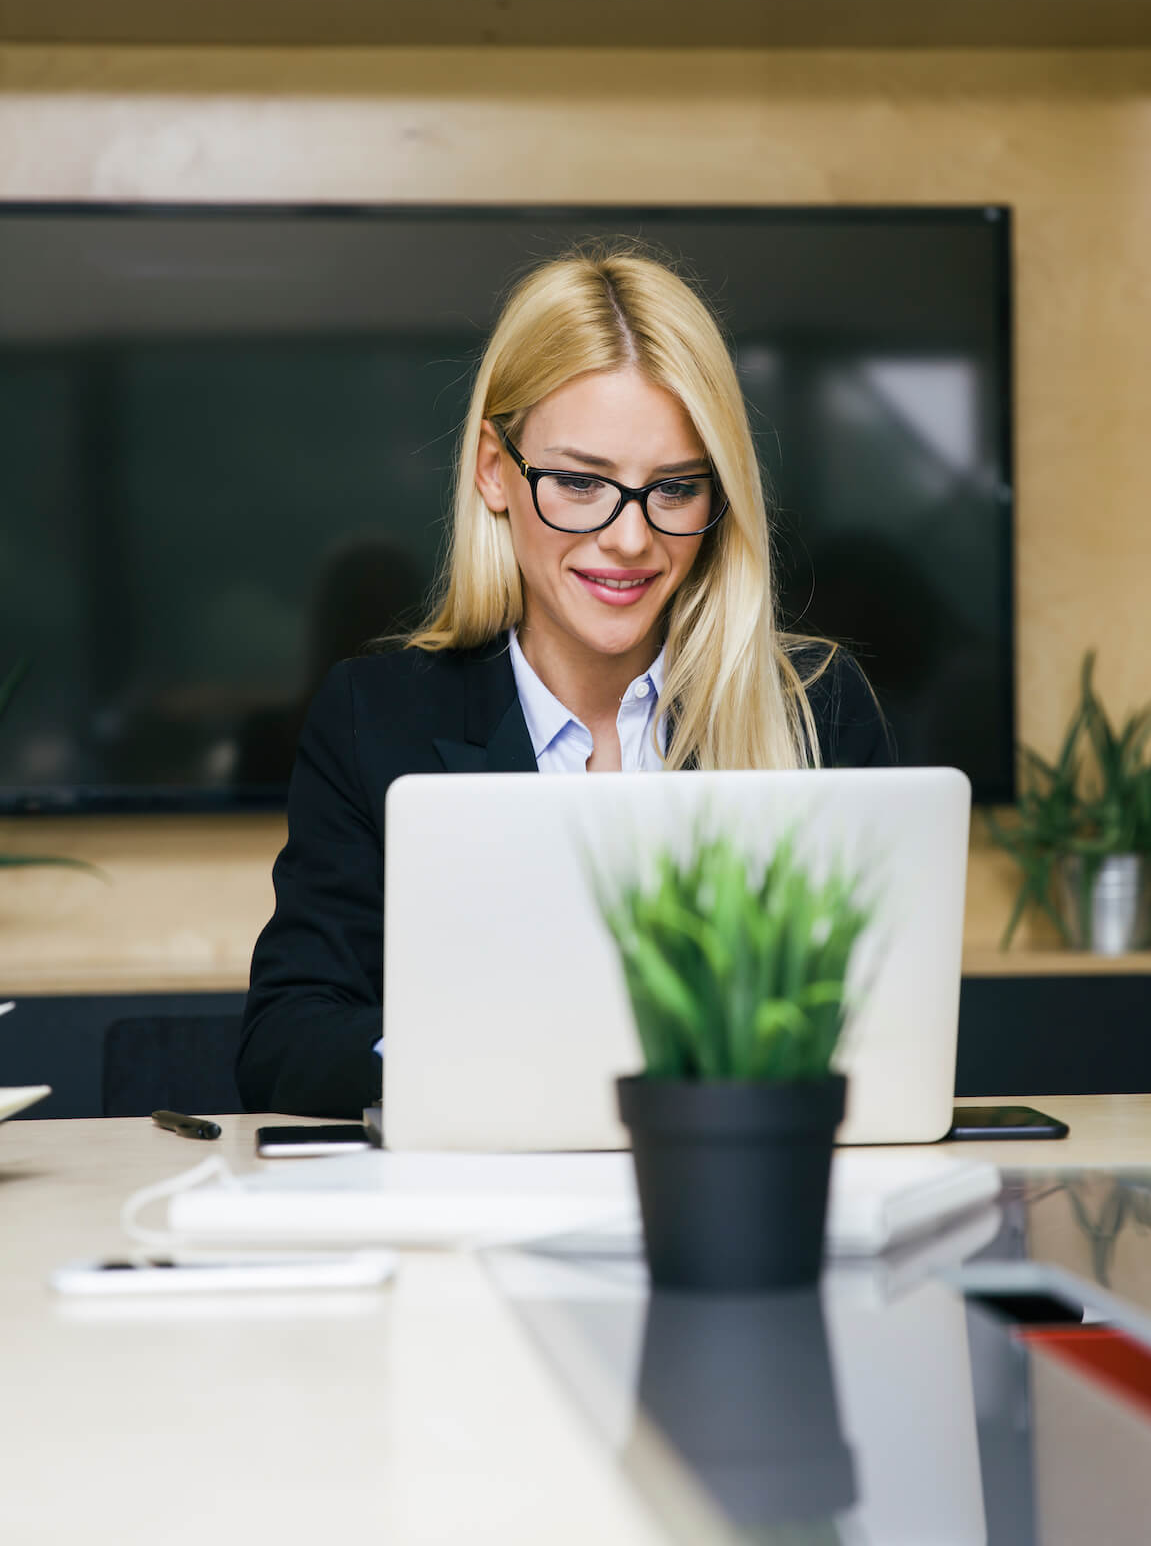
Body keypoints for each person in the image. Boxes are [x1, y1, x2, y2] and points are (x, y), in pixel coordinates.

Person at [236, 248, 894, 1118]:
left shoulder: (819, 708)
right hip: (478, 1219)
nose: (629, 539)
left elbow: (888, 1035)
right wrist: (483, 1060)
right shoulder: (374, 719)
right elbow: (285, 1041)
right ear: (492, 470)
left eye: (675, 488)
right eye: (580, 482)